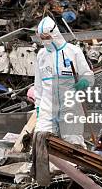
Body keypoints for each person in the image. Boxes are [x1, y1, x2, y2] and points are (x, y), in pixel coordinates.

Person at [34, 17, 94, 146]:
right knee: (42, 141)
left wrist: (84, 82)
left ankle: (75, 166)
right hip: (47, 108)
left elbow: (89, 75)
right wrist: (38, 107)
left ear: (54, 33)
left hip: (70, 107)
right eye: (42, 38)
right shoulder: (41, 55)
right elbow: (38, 85)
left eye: (46, 37)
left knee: (73, 144)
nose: (44, 41)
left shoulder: (73, 51)